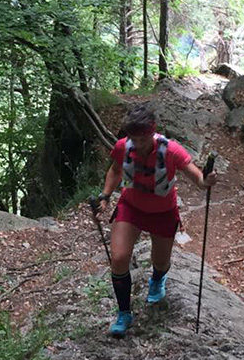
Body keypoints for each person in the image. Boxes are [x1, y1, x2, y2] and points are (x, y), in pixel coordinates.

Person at [93, 105, 218, 337]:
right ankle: (124, 313)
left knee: (160, 261)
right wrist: (105, 195)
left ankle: (158, 279)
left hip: (163, 212)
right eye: (134, 138)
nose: (138, 144)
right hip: (131, 208)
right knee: (119, 258)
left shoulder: (171, 151)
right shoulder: (123, 147)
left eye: (143, 139)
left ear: (153, 132)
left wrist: (206, 181)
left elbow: (197, 178)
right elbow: (115, 170)